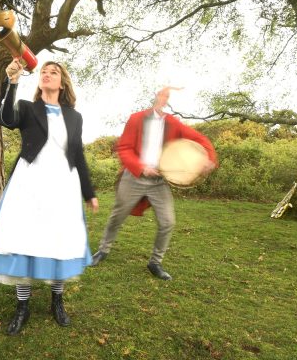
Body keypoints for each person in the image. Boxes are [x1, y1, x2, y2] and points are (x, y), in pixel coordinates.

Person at [0, 59, 99, 336]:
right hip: (29, 181)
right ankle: (22, 306)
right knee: (24, 239)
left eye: (53, 72)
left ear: (62, 82)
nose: (47, 74)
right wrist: (12, 82)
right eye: (44, 71)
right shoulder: (28, 109)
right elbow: (5, 118)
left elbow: (77, 154)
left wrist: (88, 193)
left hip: (64, 185)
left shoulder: (75, 117)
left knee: (59, 240)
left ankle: (57, 299)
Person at [90, 87, 217, 281]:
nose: (163, 98)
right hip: (134, 177)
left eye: (167, 96)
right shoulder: (136, 118)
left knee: (168, 222)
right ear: (155, 97)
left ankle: (155, 262)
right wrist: (141, 167)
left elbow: (199, 138)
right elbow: (124, 148)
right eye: (161, 94)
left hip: (158, 181)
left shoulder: (173, 122)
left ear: (168, 100)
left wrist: (209, 158)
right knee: (117, 216)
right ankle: (103, 250)